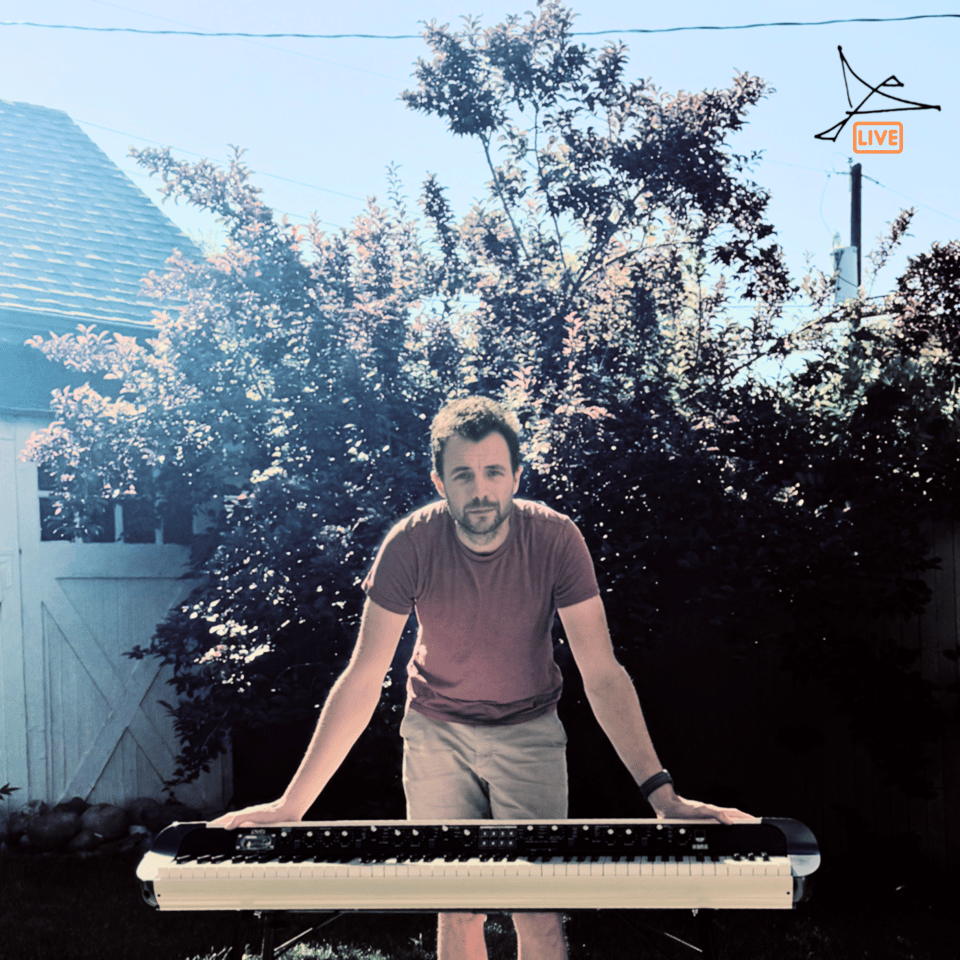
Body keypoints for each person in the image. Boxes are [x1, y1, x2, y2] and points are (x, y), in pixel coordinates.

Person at [211, 396, 752, 960]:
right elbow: (363, 677)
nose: (481, 490)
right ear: (439, 482)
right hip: (436, 729)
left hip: (530, 729)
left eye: (494, 471)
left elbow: (603, 674)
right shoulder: (410, 544)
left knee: (539, 907)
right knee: (457, 905)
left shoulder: (556, 539)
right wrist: (292, 806)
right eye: (463, 474)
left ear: (516, 475)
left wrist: (663, 796)